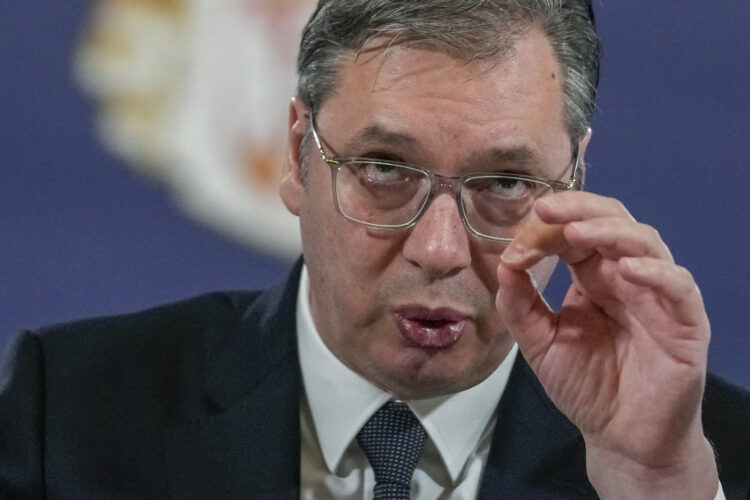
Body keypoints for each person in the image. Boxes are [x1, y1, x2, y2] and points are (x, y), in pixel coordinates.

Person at [1, 0, 749, 498]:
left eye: (506, 183)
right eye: (385, 169)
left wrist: (652, 485)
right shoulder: (66, 412)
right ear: (297, 153)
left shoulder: (703, 461)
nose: (440, 248)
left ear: (575, 179)